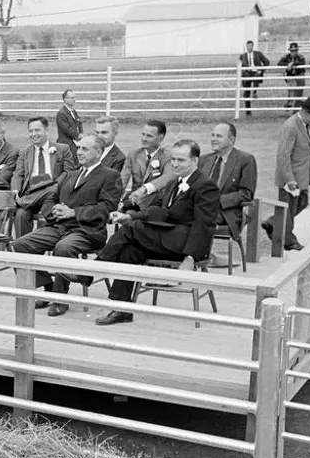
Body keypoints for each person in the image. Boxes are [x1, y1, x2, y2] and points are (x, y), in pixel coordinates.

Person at [82, 139, 220, 326]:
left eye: (181, 160)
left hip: (185, 243)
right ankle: (121, 308)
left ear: (195, 161)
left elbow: (204, 226)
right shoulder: (174, 182)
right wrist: (130, 215)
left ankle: (95, 269)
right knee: (129, 250)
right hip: (165, 239)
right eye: (173, 160)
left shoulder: (205, 185)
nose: (175, 164)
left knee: (131, 229)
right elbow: (158, 209)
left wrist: (190, 258)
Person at [11, 135, 122, 317]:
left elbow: (107, 207)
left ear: (99, 152)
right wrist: (54, 209)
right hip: (59, 227)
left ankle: (60, 298)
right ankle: (48, 286)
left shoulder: (110, 176)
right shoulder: (69, 175)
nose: (79, 152)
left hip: (86, 231)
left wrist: (74, 212)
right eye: (79, 149)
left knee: (63, 248)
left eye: (85, 149)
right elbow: (50, 197)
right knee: (19, 245)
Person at [261, 96, 310, 252]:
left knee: (302, 203)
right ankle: (288, 241)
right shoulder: (291, 126)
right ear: (306, 112)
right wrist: (290, 180)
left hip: (301, 177)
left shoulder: (304, 124)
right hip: (291, 178)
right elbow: (283, 155)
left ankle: (274, 222)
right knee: (288, 208)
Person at [201, 123, 258, 268]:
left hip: (227, 212)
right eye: (212, 135)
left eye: (219, 136)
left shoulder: (245, 160)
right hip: (203, 208)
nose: (213, 139)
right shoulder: (204, 160)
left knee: (193, 217)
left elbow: (246, 194)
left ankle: (193, 260)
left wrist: (216, 201)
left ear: (232, 140)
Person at [10, 116, 76, 237]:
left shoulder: (62, 149)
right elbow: (18, 174)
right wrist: (15, 189)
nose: (33, 134)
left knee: (50, 191)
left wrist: (55, 185)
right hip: (31, 191)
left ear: (46, 131)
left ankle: (23, 202)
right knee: (20, 215)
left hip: (54, 192)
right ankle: (22, 250)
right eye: (31, 131)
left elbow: (69, 172)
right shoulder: (24, 152)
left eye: (37, 130)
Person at [120, 119, 171, 211]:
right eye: (143, 134)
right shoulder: (133, 154)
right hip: (133, 200)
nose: (144, 139)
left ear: (161, 137)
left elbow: (167, 178)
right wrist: (117, 199)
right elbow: (123, 179)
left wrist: (144, 189)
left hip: (155, 203)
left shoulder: (167, 157)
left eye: (149, 136)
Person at [239, 40, 270, 117]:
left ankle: (254, 92)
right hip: (247, 74)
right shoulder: (242, 56)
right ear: (246, 47)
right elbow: (239, 65)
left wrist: (261, 70)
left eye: (251, 46)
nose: (249, 47)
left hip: (256, 72)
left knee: (256, 78)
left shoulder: (258, 54)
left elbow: (266, 61)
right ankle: (248, 112)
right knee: (246, 94)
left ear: (253, 46)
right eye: (248, 46)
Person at [279, 42, 307, 110]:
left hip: (299, 75)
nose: (293, 52)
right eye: (292, 50)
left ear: (297, 50)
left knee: (299, 93)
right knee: (291, 92)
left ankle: (296, 109)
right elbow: (279, 63)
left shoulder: (301, 57)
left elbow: (302, 62)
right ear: (290, 50)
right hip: (291, 76)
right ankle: (290, 104)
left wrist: (292, 64)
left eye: (295, 50)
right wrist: (288, 64)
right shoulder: (286, 56)